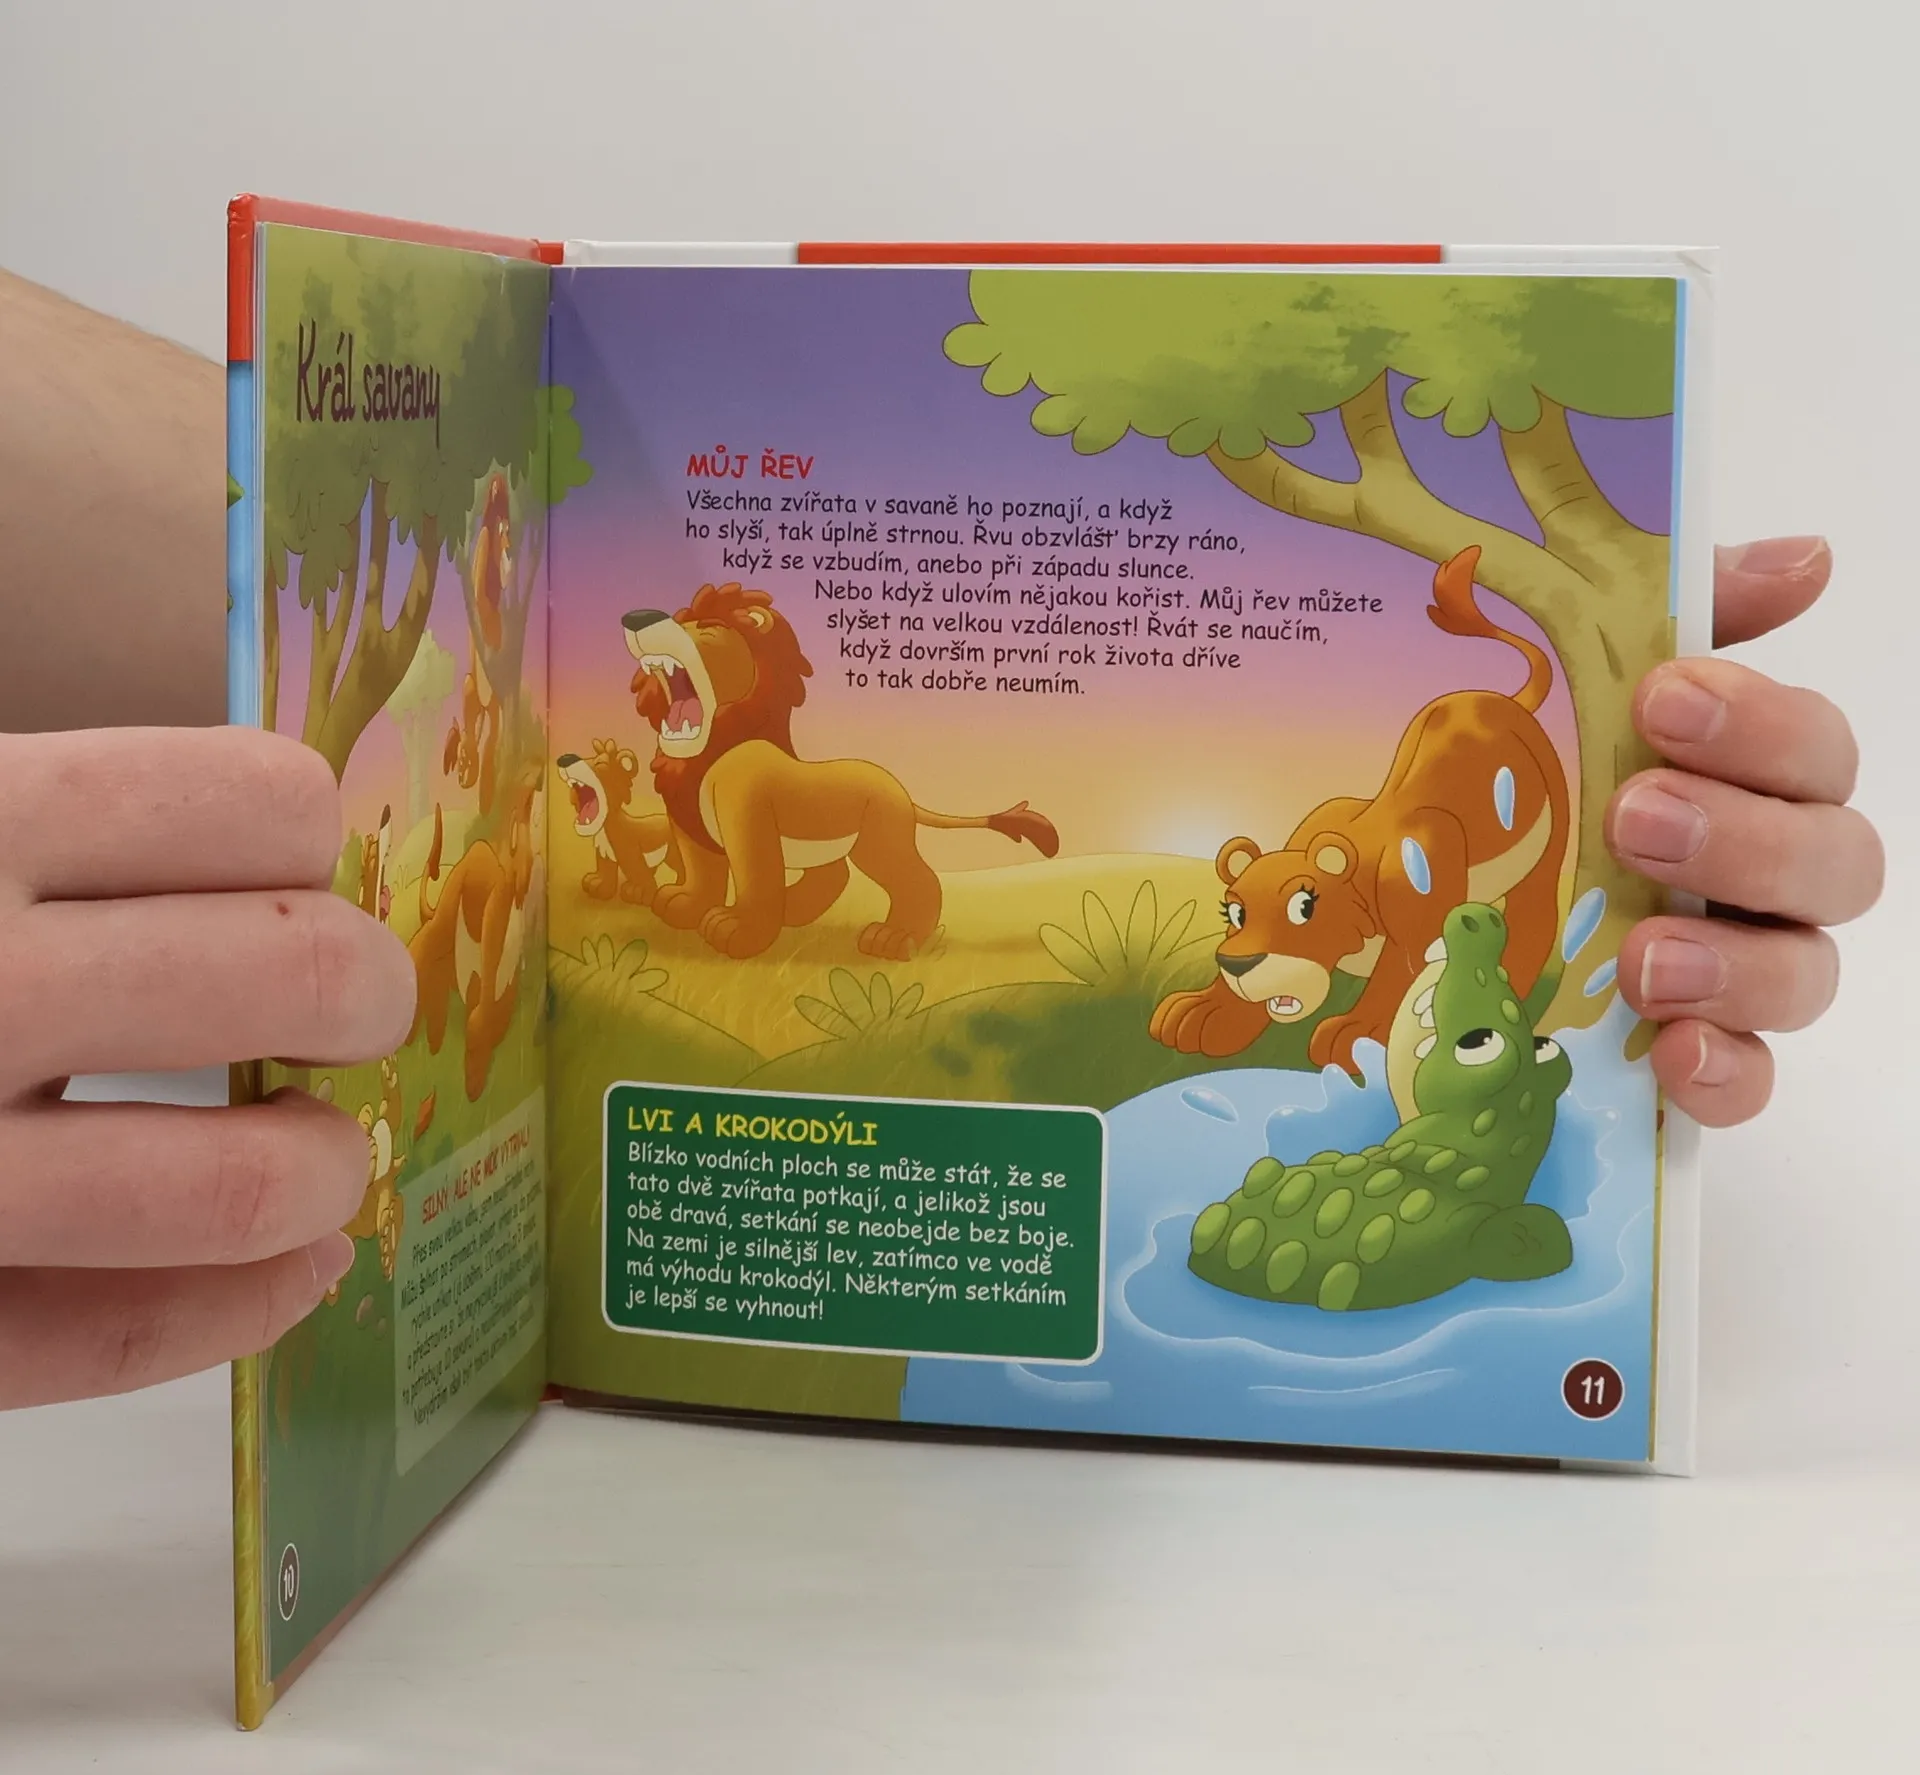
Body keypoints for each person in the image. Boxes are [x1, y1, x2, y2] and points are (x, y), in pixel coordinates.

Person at [0, 269, 1886, 1410]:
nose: (642, 703)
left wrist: (1620, 637)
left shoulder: (757, 783)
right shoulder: (720, 778)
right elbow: (744, 883)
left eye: (660, 678)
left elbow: (779, 886)